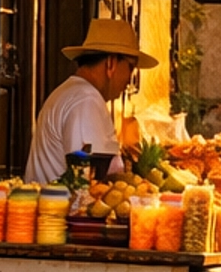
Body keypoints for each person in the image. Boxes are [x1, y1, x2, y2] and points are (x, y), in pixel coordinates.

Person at [25, 16, 157, 187]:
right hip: (61, 203)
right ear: (111, 64)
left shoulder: (74, 92)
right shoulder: (86, 99)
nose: (129, 79)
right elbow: (88, 180)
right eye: (130, 67)